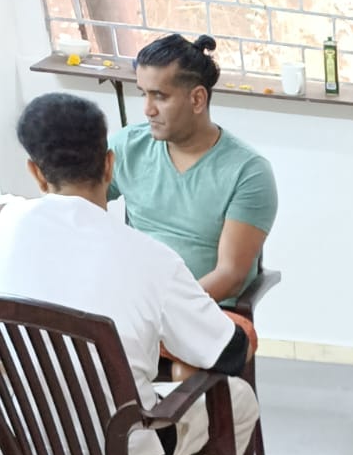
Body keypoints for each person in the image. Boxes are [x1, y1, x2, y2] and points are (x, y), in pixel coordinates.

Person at [0, 92, 257, 455]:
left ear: (35, 172)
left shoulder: (9, 225)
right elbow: (228, 353)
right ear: (109, 164)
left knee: (88, 390)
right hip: (122, 451)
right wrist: (232, 330)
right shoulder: (149, 258)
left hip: (31, 439)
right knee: (236, 398)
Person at [112, 33, 278, 307]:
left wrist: (162, 312)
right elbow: (76, 204)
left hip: (204, 312)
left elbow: (230, 276)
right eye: (143, 94)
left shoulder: (248, 172)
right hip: (134, 304)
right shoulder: (128, 145)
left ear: (197, 99)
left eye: (159, 96)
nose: (147, 110)